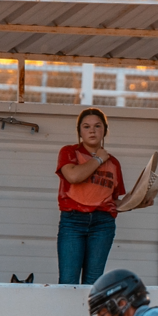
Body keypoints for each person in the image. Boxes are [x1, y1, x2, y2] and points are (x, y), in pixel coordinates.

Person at [57, 108, 125, 285]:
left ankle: (89, 314)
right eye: (86, 126)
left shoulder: (114, 163)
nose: (92, 130)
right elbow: (73, 176)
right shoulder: (69, 152)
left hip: (102, 224)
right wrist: (99, 159)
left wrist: (141, 201)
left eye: (97, 126)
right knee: (68, 282)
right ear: (79, 131)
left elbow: (114, 200)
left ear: (105, 130)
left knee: (93, 283)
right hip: (73, 221)